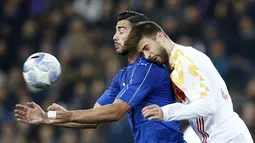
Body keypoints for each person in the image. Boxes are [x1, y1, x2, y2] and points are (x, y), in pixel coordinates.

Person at [15, 11, 186, 143]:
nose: (114, 37)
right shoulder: (123, 76)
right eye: (115, 31)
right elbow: (94, 118)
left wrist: (69, 115)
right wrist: (46, 118)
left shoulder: (149, 68)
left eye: (121, 31)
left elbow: (116, 112)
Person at [123, 21, 253, 143]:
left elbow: (207, 105)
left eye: (147, 47)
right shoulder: (182, 59)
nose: (148, 55)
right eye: (143, 53)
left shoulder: (184, 63)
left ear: (160, 36)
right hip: (226, 135)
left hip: (225, 138)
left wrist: (166, 112)